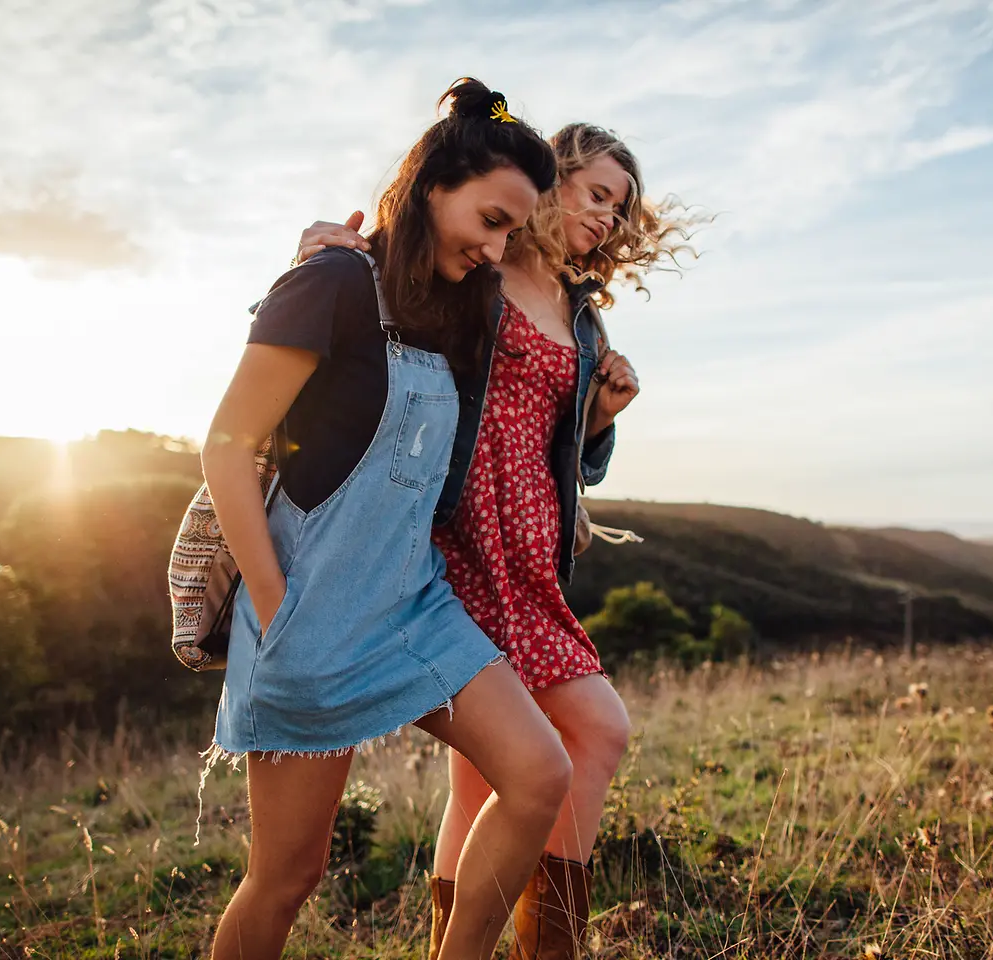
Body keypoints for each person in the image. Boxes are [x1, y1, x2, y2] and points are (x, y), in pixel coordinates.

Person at [291, 122, 694, 960]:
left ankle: (475, 946)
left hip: (531, 553)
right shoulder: (475, 266)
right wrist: (328, 254)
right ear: (552, 182)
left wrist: (600, 420)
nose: (609, 220)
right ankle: (543, 950)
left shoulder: (583, 322)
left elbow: (569, 451)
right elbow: (380, 289)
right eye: (597, 195)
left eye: (620, 209)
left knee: (487, 780)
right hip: (452, 541)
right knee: (591, 731)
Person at [201, 79, 571, 960]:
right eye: (489, 219)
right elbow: (225, 446)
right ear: (432, 186)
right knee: (288, 878)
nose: (496, 247)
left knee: (538, 773)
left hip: (414, 608)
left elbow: (548, 369)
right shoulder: (330, 281)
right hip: (308, 615)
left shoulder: (458, 309)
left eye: (511, 233)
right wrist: (274, 601)